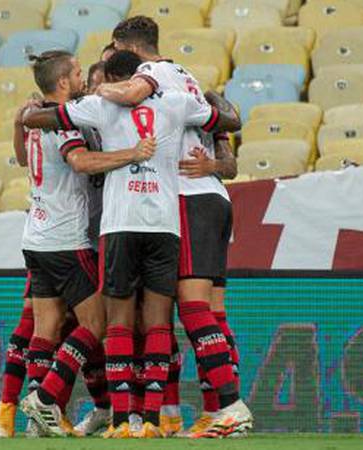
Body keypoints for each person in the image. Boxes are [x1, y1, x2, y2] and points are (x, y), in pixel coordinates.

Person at [22, 50, 242, 438]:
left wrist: (37, 111)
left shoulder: (98, 106)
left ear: (116, 79)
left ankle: (122, 420)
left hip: (118, 225)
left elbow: (36, 119)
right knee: (159, 321)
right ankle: (156, 420)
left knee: (117, 322)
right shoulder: (177, 103)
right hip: (165, 225)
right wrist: (215, 102)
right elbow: (226, 121)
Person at [95, 16, 251, 438]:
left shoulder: (150, 75)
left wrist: (97, 89)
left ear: (122, 46)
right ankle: (214, 410)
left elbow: (125, 96)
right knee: (213, 311)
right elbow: (228, 120)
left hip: (187, 195)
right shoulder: (186, 76)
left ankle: (232, 406)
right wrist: (219, 165)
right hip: (214, 196)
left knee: (191, 307)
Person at [16, 50, 158, 438]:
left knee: (46, 327)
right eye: (78, 74)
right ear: (63, 82)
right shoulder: (63, 122)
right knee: (95, 323)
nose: (82, 79)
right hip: (66, 238)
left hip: (36, 236)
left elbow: (20, 158)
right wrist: (133, 153)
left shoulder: (33, 120)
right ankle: (45, 398)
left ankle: (36, 423)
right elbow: (80, 162)